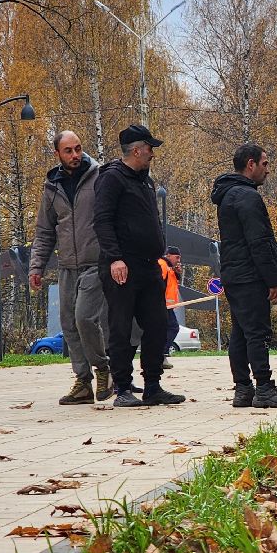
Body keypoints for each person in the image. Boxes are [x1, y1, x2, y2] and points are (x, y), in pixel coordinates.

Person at [93, 123, 184, 407]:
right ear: (136, 150)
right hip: (122, 265)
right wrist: (115, 257)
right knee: (120, 327)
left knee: (157, 324)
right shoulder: (111, 178)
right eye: (149, 148)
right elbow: (102, 220)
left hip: (148, 266)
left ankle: (153, 385)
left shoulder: (145, 180)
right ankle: (122, 388)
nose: (152, 154)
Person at [211, 144, 277, 408]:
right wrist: (273, 280)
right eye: (265, 164)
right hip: (249, 275)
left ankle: (243, 389)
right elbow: (258, 242)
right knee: (257, 333)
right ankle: (264, 388)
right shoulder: (247, 197)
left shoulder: (228, 195)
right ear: (251, 164)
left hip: (234, 274)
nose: (267, 170)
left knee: (241, 332)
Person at [29, 130, 112, 405]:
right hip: (67, 265)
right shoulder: (52, 187)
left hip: (96, 263)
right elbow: (44, 231)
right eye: (69, 151)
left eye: (78, 149)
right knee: (69, 325)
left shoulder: (99, 177)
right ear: (58, 154)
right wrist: (36, 267)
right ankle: (83, 382)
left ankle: (103, 369)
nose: (75, 155)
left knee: (85, 318)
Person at [158, 246, 182, 369]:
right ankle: (161, 354)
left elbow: (171, 285)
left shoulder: (169, 268)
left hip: (167, 305)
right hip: (162, 305)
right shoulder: (162, 265)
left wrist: (177, 274)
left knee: (165, 330)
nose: (178, 260)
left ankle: (161, 356)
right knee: (173, 328)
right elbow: (157, 283)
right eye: (176, 257)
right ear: (168, 255)